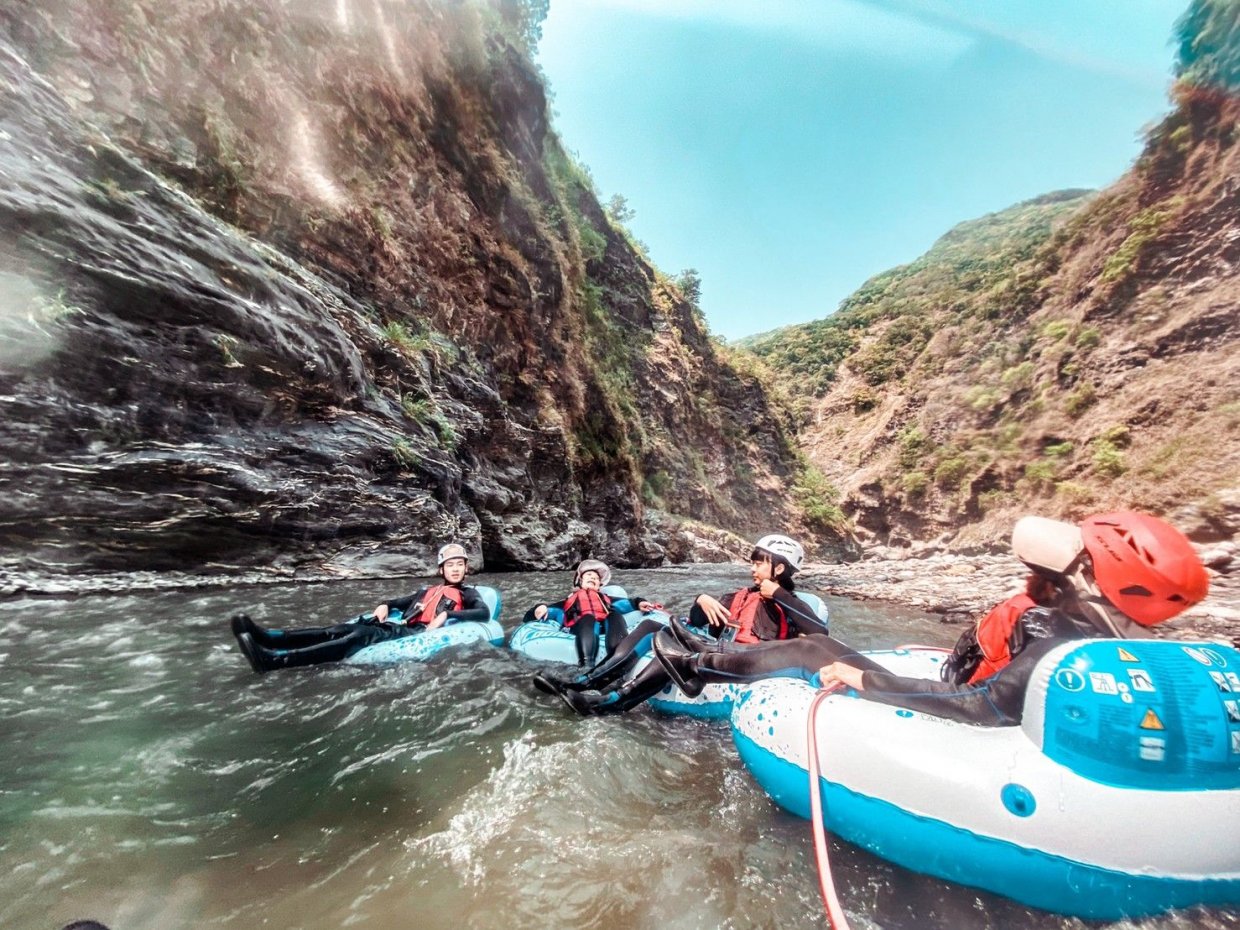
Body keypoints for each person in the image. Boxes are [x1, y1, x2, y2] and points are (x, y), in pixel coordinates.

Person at [653, 511, 1210, 726]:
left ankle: (697, 666)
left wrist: (863, 678)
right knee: (817, 650)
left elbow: (979, 703)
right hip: (958, 679)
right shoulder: (1097, 628)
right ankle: (698, 660)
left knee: (811, 651)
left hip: (958, 701)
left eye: (1084, 559)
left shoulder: (1054, 642)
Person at [545, 534, 828, 715]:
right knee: (654, 628)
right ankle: (589, 681)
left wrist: (777, 594)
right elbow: (696, 621)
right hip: (718, 649)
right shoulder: (739, 596)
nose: (752, 569)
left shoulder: (790, 602)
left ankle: (612, 701)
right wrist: (701, 599)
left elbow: (819, 633)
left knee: (677, 646)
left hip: (747, 661)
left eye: (759, 564)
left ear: (778, 569)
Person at [230, 543, 491, 673]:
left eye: (460, 564)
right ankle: (270, 637)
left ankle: (276, 660)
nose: (456, 569)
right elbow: (395, 603)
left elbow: (483, 613)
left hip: (415, 633)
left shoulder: (468, 593)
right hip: (398, 626)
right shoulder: (426, 591)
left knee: (357, 637)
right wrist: (383, 606)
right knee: (338, 629)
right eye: (451, 564)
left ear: (466, 568)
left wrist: (447, 613)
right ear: (441, 569)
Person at [521, 559, 655, 666]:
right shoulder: (567, 602)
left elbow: (628, 603)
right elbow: (536, 615)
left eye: (597, 578)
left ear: (599, 585)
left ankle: (618, 658)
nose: (594, 578)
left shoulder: (607, 599)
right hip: (581, 627)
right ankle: (586, 664)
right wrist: (539, 608)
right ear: (580, 581)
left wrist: (640, 602)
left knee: (614, 615)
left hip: (606, 627)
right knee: (588, 617)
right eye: (589, 575)